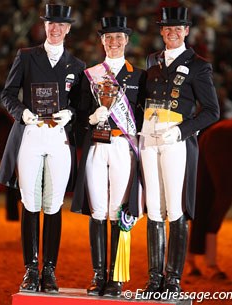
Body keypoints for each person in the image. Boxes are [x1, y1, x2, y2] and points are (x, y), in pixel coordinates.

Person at [0, 4, 85, 293]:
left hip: (58, 139)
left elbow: (80, 106)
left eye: (61, 25)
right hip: (30, 135)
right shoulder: (25, 57)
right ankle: (30, 269)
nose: (56, 29)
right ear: (44, 26)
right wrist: (21, 112)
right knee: (31, 203)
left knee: (53, 204)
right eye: (51, 23)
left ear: (69, 28)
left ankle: (49, 269)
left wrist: (70, 114)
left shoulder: (77, 66)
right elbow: (8, 93)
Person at [139, 6, 220, 295]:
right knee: (154, 210)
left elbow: (212, 111)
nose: (172, 33)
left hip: (175, 141)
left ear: (186, 31)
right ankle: (154, 277)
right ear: (161, 31)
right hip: (149, 139)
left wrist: (182, 130)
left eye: (178, 28)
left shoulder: (199, 65)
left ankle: (172, 278)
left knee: (174, 208)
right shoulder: (152, 59)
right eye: (167, 28)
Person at [71, 16, 146, 297]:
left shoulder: (139, 76)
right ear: (102, 41)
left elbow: (141, 116)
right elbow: (78, 115)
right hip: (97, 146)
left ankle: (115, 278)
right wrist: (90, 118)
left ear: (127, 40)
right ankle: (98, 274)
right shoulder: (89, 74)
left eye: (119, 37)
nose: (113, 42)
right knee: (98, 209)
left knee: (117, 209)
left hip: (123, 147)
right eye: (108, 38)